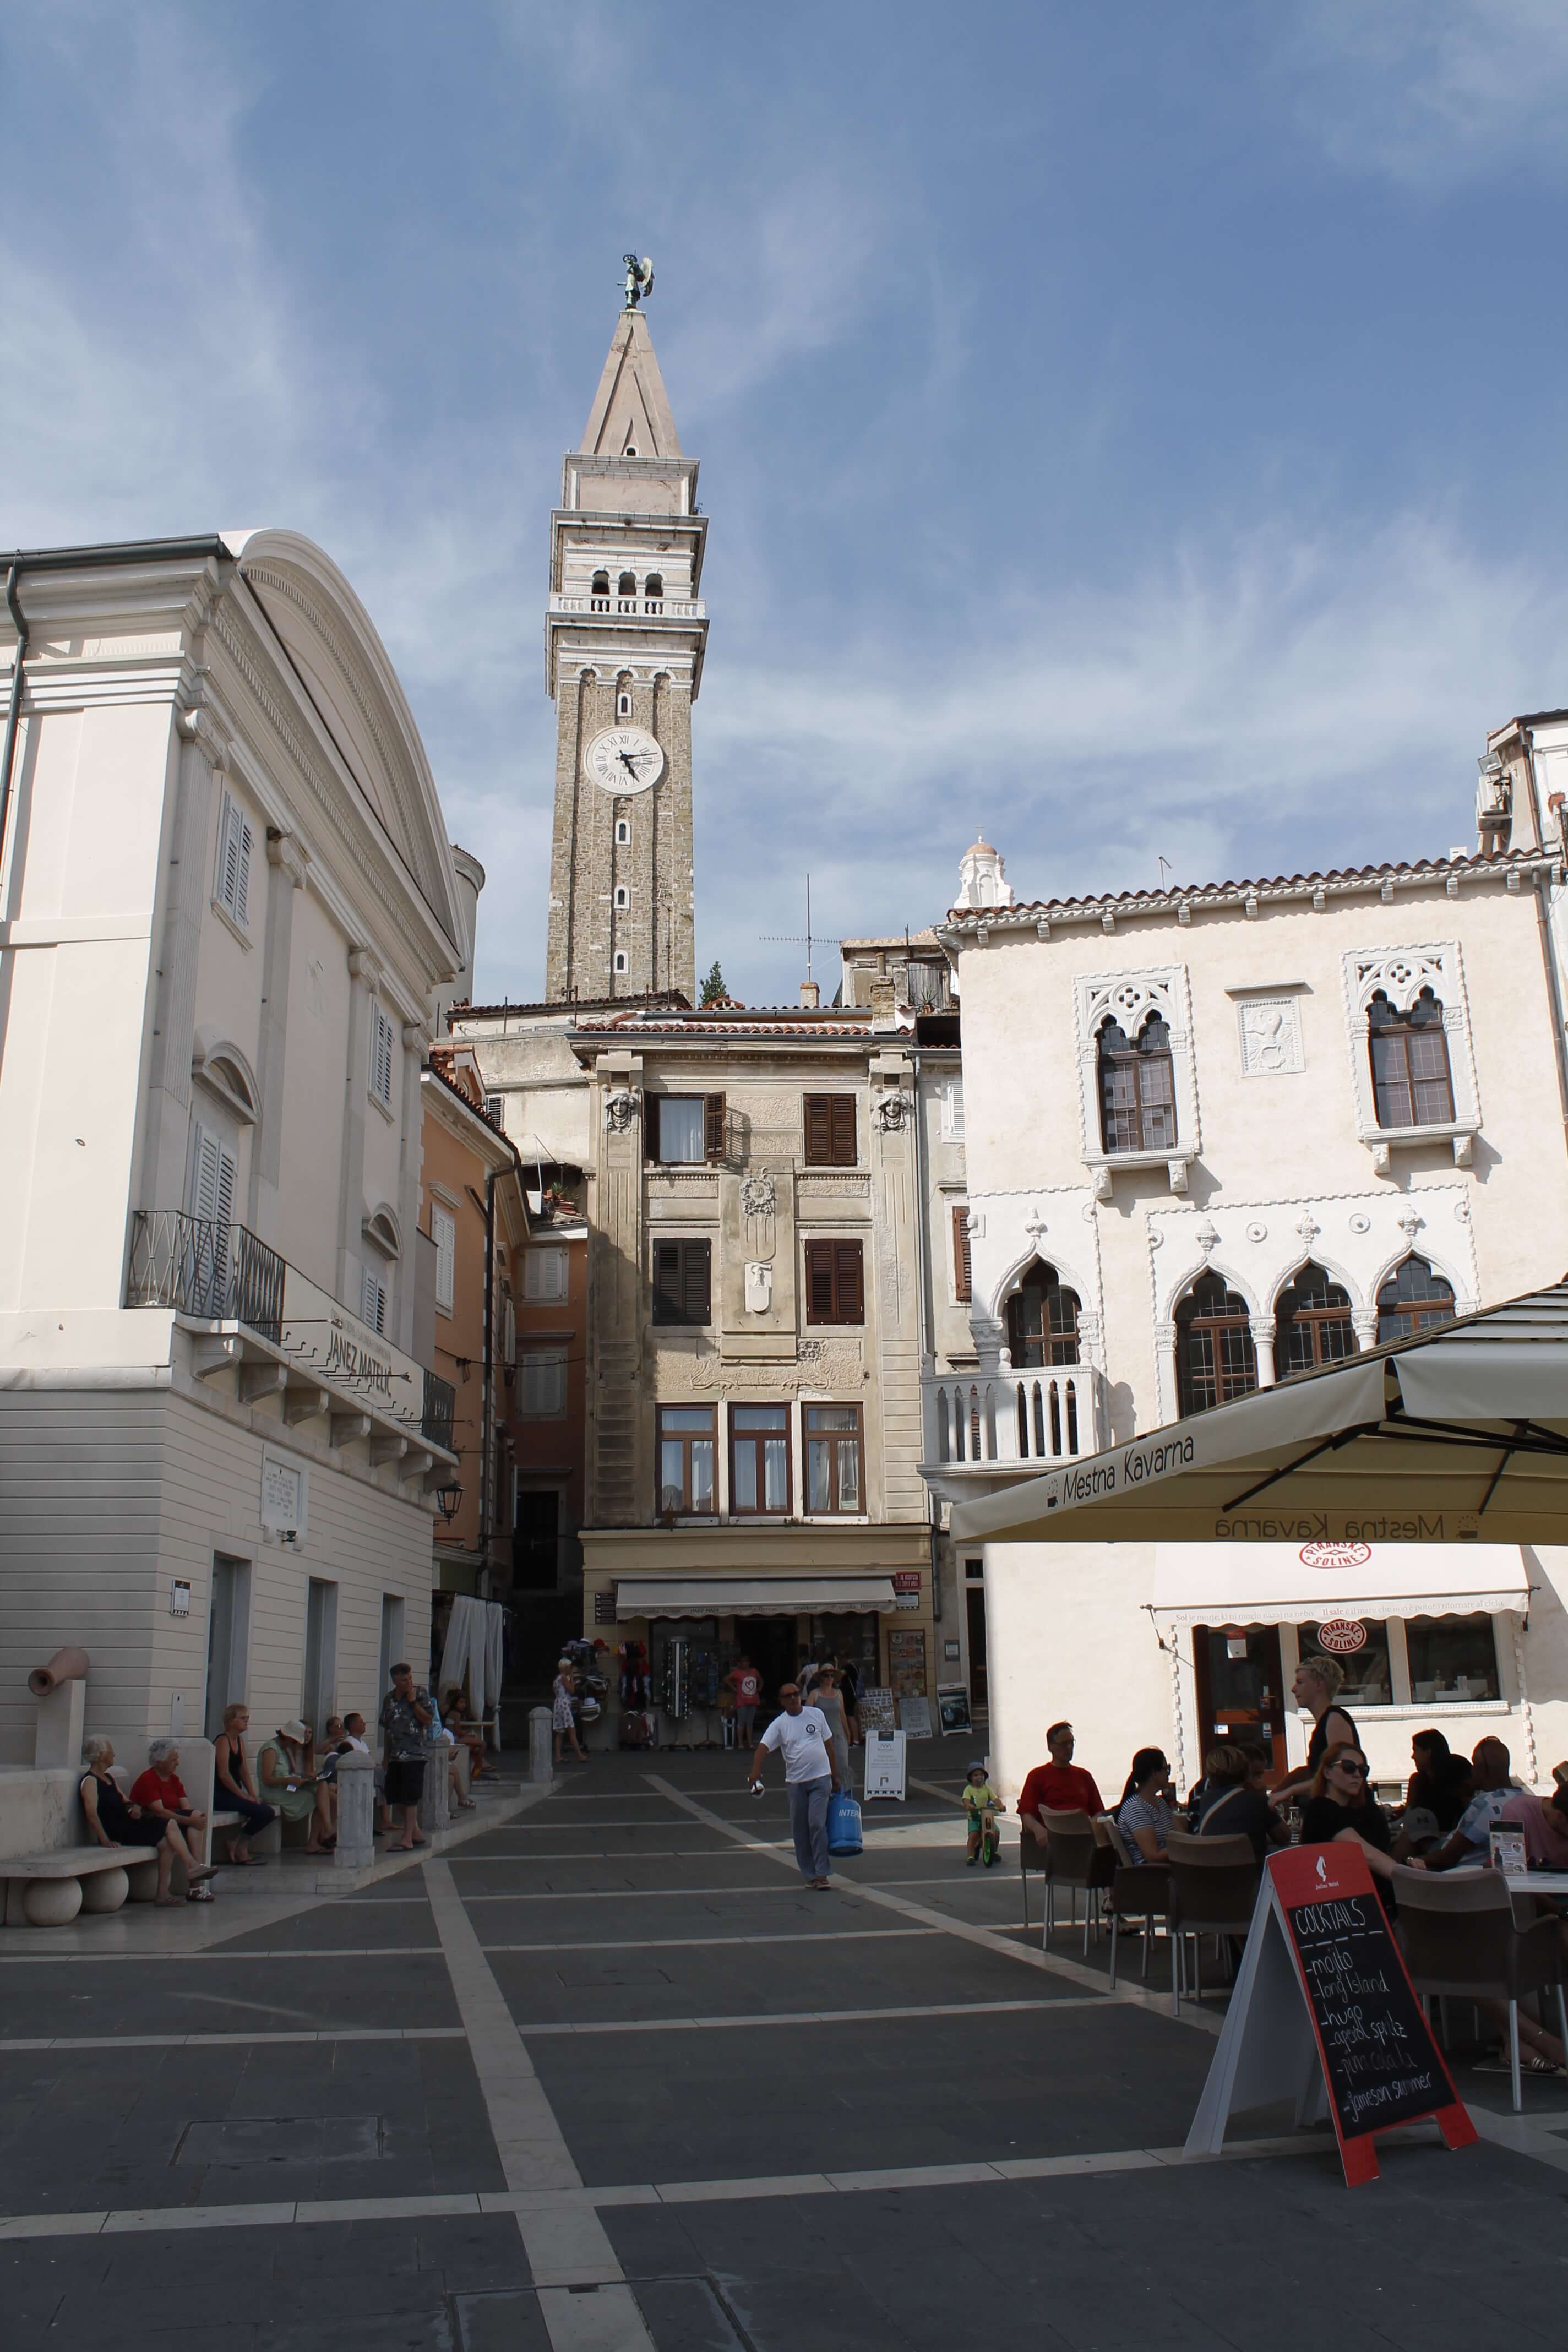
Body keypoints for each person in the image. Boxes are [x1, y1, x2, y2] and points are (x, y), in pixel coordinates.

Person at [79, 1735, 215, 1905]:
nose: (114, 1754)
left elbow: (126, 1801)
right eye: (110, 1751)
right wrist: (105, 1839)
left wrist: (132, 1808)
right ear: (100, 1755)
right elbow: (92, 1814)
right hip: (117, 1830)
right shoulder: (90, 1781)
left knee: (166, 1844)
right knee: (169, 1824)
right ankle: (192, 1866)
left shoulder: (109, 1779)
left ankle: (162, 1894)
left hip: (128, 1824)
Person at [1297, 1742, 1424, 1913]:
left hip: (1369, 1904)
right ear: (1328, 1772)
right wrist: (1417, 1881)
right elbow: (1366, 1855)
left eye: (1363, 1770)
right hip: (1338, 1910)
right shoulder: (1321, 1810)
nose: (1357, 1774)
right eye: (1348, 1767)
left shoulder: (1366, 1811)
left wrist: (1407, 1864)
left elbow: (1379, 1854)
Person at [747, 1680, 840, 1890]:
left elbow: (829, 1746)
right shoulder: (780, 1724)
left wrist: (835, 1775)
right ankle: (810, 1874)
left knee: (816, 1824)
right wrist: (755, 1770)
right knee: (800, 1830)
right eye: (788, 1696)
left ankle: (822, 1873)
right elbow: (763, 1747)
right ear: (782, 1701)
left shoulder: (816, 1715)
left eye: (796, 1694)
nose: (794, 1698)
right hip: (796, 1783)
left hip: (821, 1778)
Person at [1272, 1655, 1358, 1800]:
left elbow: (1343, 1774)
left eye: (1300, 1682)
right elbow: (1317, 1773)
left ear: (1319, 1685)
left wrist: (1290, 1791)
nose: (1293, 1689)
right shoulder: (1326, 1721)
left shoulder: (1335, 1719)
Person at [1423, 1738, 1517, 1872]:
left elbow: (1448, 1857)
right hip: (1496, 1876)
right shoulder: (1523, 1799)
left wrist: (1409, 1860)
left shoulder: (1486, 1803)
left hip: (1464, 1878)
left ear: (1482, 1769)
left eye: (1474, 1764)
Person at [1191, 1743, 1286, 1863]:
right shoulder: (1256, 1801)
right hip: (1253, 1878)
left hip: (1215, 1876)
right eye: (1256, 1775)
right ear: (1246, 1772)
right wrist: (1263, 1798)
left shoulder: (1205, 1799)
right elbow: (1284, 1838)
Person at [1017, 1722, 1106, 1852]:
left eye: (1071, 1743)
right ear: (1050, 1747)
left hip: (1084, 1836)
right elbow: (1026, 1813)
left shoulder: (1084, 1775)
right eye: (1064, 1744)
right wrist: (1038, 1830)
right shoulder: (1037, 1776)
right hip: (1054, 1840)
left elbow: (1099, 1811)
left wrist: (1094, 1825)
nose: (1069, 1747)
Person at [258, 1719, 334, 1853]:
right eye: (294, 1742)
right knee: (317, 1800)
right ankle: (318, 1839)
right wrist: (289, 1780)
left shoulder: (284, 1749)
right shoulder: (271, 1749)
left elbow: (289, 1773)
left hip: (286, 1786)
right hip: (274, 1792)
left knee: (321, 1785)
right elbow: (267, 1779)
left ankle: (327, 1830)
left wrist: (304, 1776)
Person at [213, 1702, 275, 1865]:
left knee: (267, 1811)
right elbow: (224, 1774)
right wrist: (243, 1796)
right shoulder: (222, 1741)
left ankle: (238, 1842)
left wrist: (253, 1794)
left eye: (247, 1718)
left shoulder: (239, 1741)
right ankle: (240, 1848)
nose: (246, 1721)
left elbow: (244, 1771)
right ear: (232, 1721)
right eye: (243, 1718)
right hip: (220, 1794)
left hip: (234, 1793)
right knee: (263, 1813)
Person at [380, 1663, 434, 1848]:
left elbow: (427, 1720)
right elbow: (387, 1729)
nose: (408, 1682)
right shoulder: (389, 1699)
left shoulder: (420, 1694)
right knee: (396, 1797)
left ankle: (407, 1838)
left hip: (414, 1754)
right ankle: (416, 1833)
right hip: (396, 1755)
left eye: (410, 1678)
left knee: (411, 1797)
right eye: (404, 1680)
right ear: (395, 1680)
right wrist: (386, 1756)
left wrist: (413, 1702)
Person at [1396, 1727, 1473, 1853]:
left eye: (1416, 1750)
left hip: (1454, 1841)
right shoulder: (1419, 1780)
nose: (1413, 1757)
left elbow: (1470, 1808)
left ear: (1428, 1752)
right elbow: (1410, 1814)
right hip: (1424, 1839)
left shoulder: (1457, 1769)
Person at [1117, 1747, 1176, 1863]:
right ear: (1154, 1774)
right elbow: (1153, 1856)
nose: (1168, 1774)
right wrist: (1186, 1849)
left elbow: (1180, 1835)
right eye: (1166, 1769)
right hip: (1154, 1874)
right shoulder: (1136, 1808)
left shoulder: (1160, 1803)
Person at [810, 1667, 854, 1796]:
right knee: (825, 1766)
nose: (829, 1678)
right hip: (821, 1737)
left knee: (842, 1764)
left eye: (832, 1676)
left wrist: (848, 1733)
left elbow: (842, 1714)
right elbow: (807, 1715)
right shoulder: (815, 1694)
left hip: (839, 1734)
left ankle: (844, 1794)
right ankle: (825, 1793)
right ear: (821, 1678)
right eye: (826, 1675)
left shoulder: (838, 1693)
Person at [962, 1763, 1006, 1866]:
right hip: (974, 1817)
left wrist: (1001, 1806)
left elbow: (995, 1799)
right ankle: (970, 1856)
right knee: (973, 1835)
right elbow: (966, 1800)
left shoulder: (987, 1789)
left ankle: (994, 1851)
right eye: (976, 1775)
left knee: (996, 1832)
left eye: (981, 1775)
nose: (979, 1777)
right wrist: (969, 1805)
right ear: (971, 1778)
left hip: (987, 1816)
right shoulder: (969, 1789)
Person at [552, 1659, 587, 1766]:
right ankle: (579, 1755)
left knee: (560, 1732)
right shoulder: (563, 1678)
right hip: (564, 1705)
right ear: (565, 1668)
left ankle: (558, 1756)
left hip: (558, 1704)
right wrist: (572, 1679)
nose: (571, 1669)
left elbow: (554, 1690)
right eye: (570, 1667)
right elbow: (572, 1690)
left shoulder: (556, 1679)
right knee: (572, 1730)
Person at [722, 1654, 762, 1748]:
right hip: (742, 1700)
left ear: (749, 1663)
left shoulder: (754, 1671)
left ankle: (750, 1742)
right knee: (741, 1722)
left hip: (753, 1699)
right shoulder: (737, 1673)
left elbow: (760, 1680)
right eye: (743, 1662)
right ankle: (740, 1743)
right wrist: (734, 1689)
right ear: (740, 1663)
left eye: (746, 1661)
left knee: (750, 1722)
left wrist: (759, 1688)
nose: (745, 1664)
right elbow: (726, 1679)